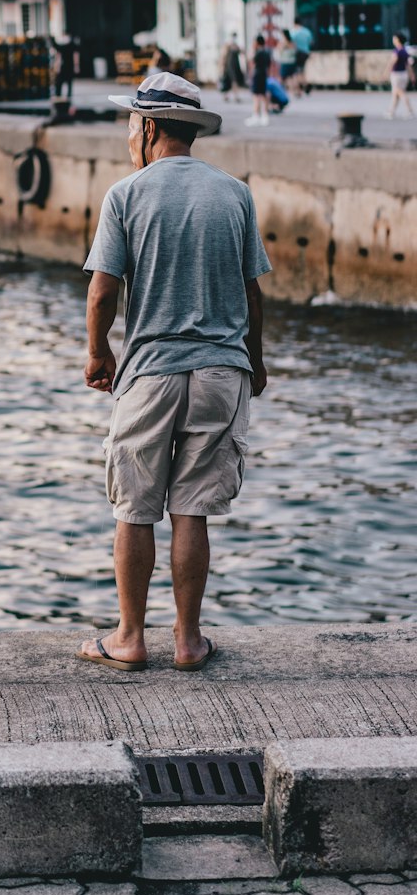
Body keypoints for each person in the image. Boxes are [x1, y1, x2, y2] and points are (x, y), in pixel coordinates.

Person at [78, 72, 270, 671]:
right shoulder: (235, 194)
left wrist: (98, 353)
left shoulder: (126, 195)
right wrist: (255, 360)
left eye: (131, 124)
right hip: (221, 372)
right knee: (192, 507)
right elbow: (252, 294)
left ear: (150, 128)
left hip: (152, 373)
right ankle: (188, 640)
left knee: (134, 507)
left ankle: (130, 637)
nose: (128, 134)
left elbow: (102, 294)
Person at [245, 34, 271, 126]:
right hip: (264, 75)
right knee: (263, 95)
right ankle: (265, 115)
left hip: (257, 75)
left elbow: (251, 61)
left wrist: (251, 51)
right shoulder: (267, 52)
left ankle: (255, 116)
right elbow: (269, 65)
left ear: (257, 42)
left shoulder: (257, 52)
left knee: (256, 96)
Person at [389, 31, 415, 118]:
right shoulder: (405, 51)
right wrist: (412, 75)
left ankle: (410, 110)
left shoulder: (397, 51)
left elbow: (393, 62)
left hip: (396, 74)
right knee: (395, 94)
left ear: (397, 40)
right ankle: (392, 112)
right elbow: (408, 65)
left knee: (400, 92)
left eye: (394, 38)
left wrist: (386, 71)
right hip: (404, 74)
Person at [54, 34, 79, 100]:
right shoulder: (61, 46)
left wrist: (76, 66)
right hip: (63, 66)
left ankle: (67, 96)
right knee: (60, 82)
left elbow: (75, 56)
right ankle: (59, 95)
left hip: (68, 66)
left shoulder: (72, 45)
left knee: (68, 82)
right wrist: (57, 66)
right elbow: (58, 57)